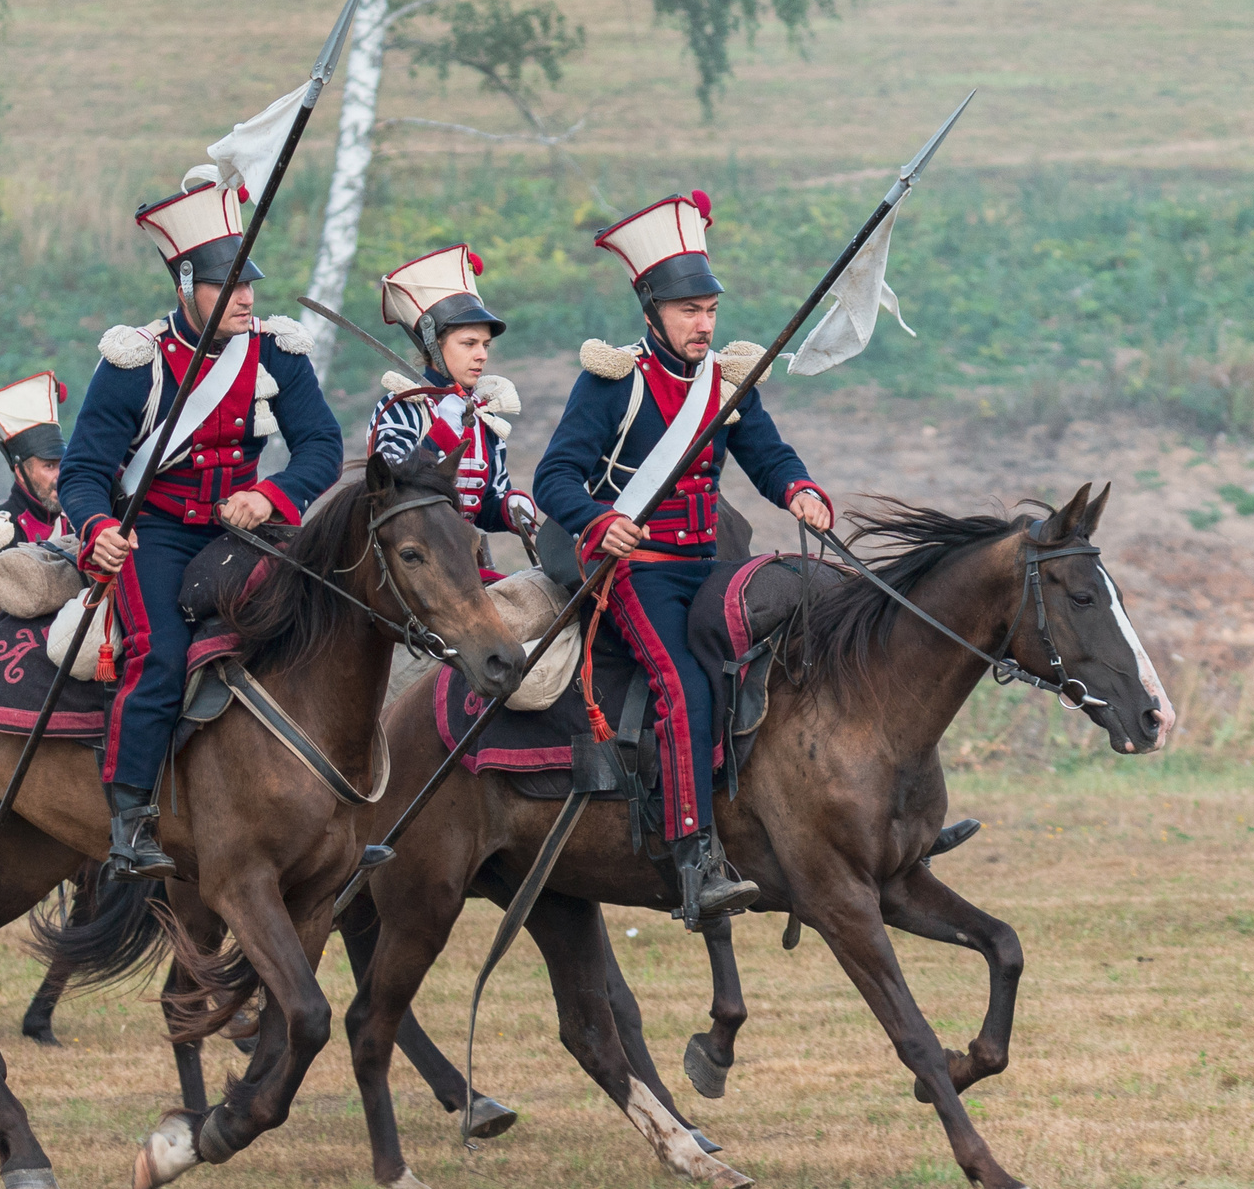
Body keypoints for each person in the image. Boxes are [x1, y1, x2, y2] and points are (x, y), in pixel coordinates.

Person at [531, 192, 833, 928]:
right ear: (652, 310)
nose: (704, 324)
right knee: (685, 688)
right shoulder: (610, 382)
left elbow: (768, 454)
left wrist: (799, 489)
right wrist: (601, 521)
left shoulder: (728, 383)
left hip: (711, 567)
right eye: (689, 310)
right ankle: (694, 858)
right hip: (640, 573)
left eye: (711, 310)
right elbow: (554, 478)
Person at [56, 167, 344, 881]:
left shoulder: (277, 353)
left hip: (242, 533)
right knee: (157, 655)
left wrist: (274, 496)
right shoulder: (137, 362)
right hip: (152, 534)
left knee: (320, 630)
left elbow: (322, 448)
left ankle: (324, 815)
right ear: (187, 288)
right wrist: (98, 528)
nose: (247, 297)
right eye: (229, 285)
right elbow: (83, 470)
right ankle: (129, 818)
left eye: (251, 284)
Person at [369, 244, 538, 574]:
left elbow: (485, 504)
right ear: (434, 344)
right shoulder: (400, 408)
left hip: (465, 564)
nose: (482, 355)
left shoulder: (484, 417)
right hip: (408, 571)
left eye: (485, 345)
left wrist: (510, 508)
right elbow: (388, 488)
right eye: (469, 344)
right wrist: (440, 436)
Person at [0, 371, 72, 596]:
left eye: (62, 464)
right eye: (49, 466)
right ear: (20, 471)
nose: (61, 475)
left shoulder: (77, 524)